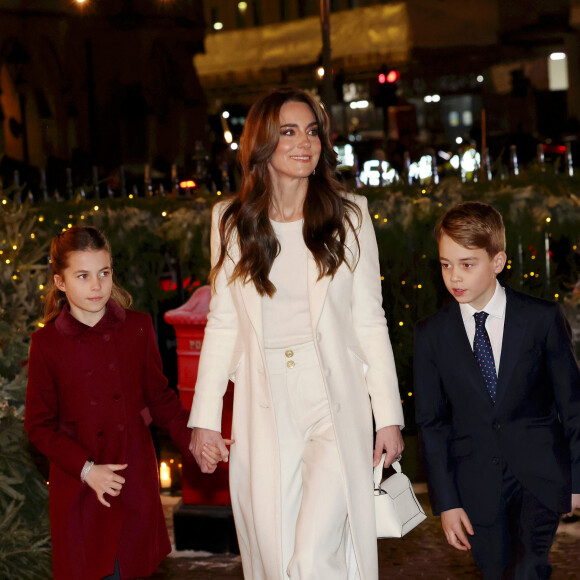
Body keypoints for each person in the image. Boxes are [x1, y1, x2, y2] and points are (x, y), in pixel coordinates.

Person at [188, 87, 404, 580]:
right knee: (276, 550)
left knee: (312, 557)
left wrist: (388, 415)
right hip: (264, 401)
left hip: (331, 398)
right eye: (288, 131)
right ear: (262, 143)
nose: (304, 142)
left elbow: (370, 320)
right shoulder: (231, 222)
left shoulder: (349, 216)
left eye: (312, 131)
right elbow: (222, 323)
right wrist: (204, 418)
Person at [414, 201, 580, 579]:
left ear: (499, 261)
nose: (454, 276)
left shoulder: (540, 318)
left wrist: (577, 478)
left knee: (527, 570)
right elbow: (432, 423)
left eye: (467, 264)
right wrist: (447, 503)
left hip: (539, 477)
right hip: (475, 487)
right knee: (496, 572)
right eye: (445, 264)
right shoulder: (432, 335)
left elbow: (573, 405)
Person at [24, 226, 193, 580]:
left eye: (104, 272)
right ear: (60, 281)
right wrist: (87, 470)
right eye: (82, 276)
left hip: (134, 485)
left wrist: (195, 441)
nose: (97, 285)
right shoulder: (47, 344)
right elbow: (39, 426)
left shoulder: (137, 328)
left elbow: (161, 398)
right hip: (81, 494)